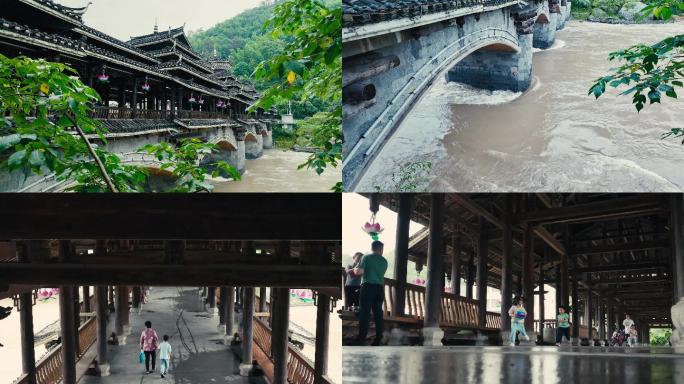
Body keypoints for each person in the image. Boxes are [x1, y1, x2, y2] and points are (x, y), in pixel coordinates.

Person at [353, 241, 388, 346]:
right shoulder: (384, 261)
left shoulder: (366, 258)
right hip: (379, 289)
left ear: (372, 248)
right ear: (380, 249)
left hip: (368, 287)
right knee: (378, 314)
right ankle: (378, 339)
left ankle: (361, 338)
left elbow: (359, 272)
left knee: (365, 313)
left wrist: (355, 269)